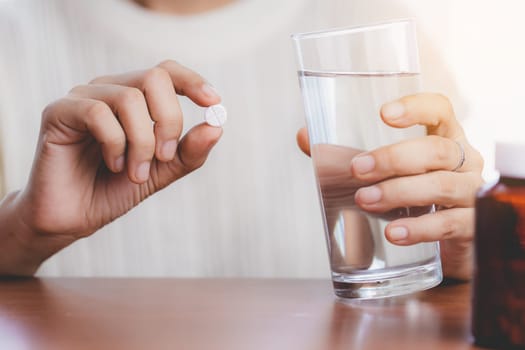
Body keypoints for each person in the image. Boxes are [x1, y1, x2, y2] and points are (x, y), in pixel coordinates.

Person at [0, 0, 484, 279]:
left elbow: (443, 257)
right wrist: (21, 235)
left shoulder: (369, 18)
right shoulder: (16, 36)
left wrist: (466, 259)